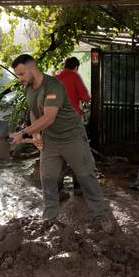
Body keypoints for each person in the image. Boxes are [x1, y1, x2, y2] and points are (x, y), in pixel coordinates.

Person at [8, 54, 114, 232]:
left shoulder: (53, 85)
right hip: (51, 140)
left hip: (72, 137)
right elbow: (34, 113)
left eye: (21, 74)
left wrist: (22, 133)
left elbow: (49, 117)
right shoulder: (29, 89)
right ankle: (49, 220)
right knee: (48, 178)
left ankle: (101, 216)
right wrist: (36, 137)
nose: (20, 78)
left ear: (32, 68)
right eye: (18, 75)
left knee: (86, 176)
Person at [55, 56, 90, 197]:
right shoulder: (75, 76)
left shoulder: (55, 78)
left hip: (55, 121)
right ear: (76, 67)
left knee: (60, 155)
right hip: (73, 121)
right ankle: (78, 187)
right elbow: (86, 97)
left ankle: (58, 189)